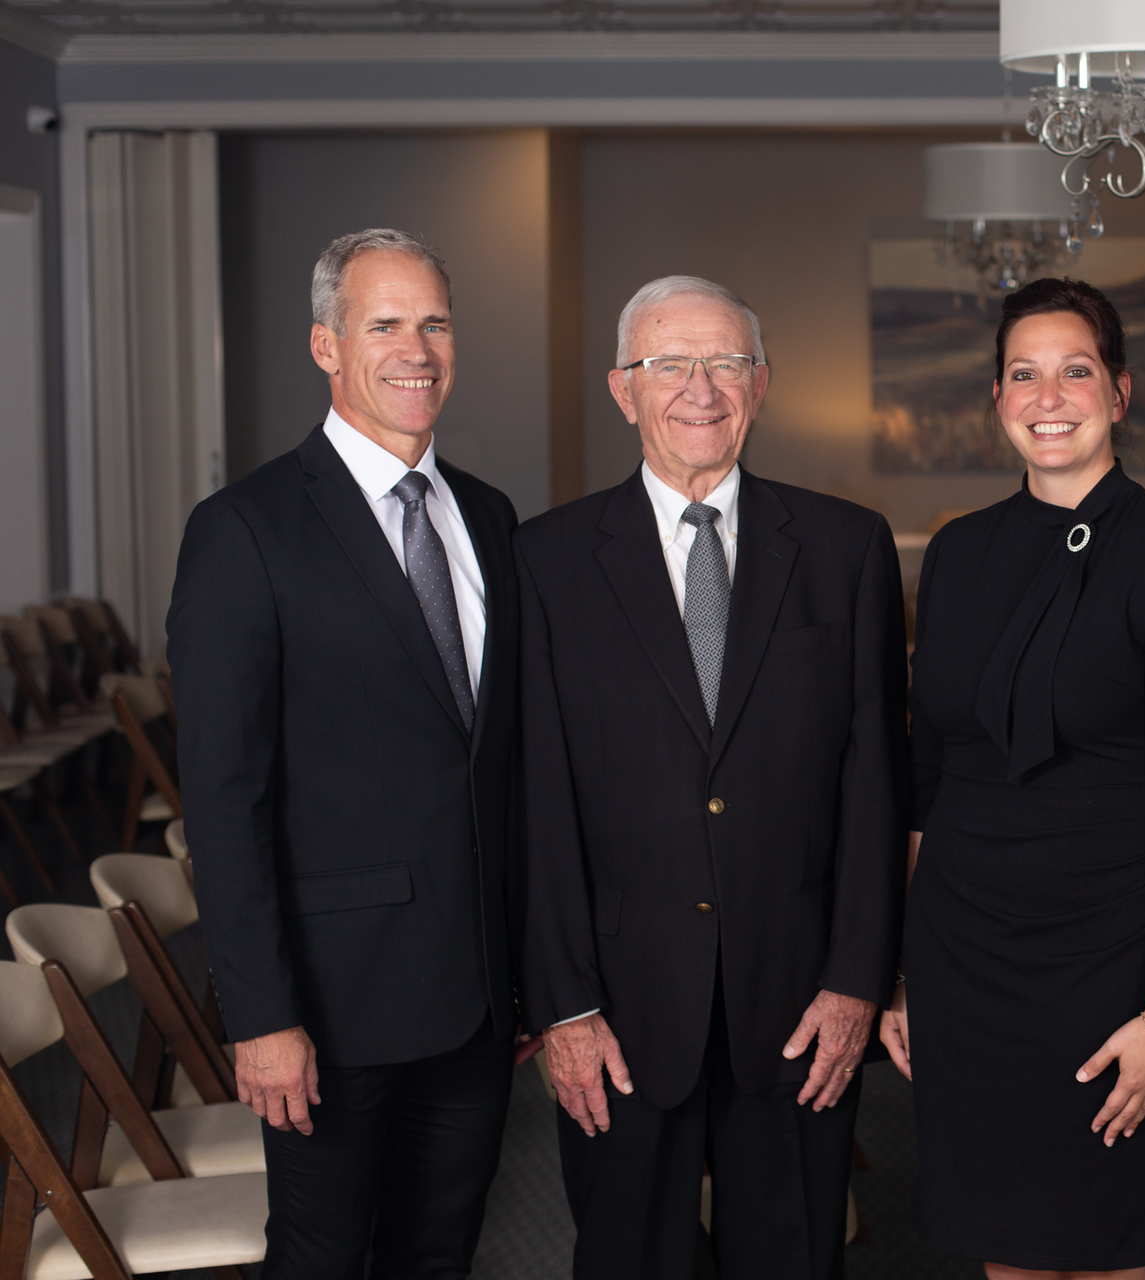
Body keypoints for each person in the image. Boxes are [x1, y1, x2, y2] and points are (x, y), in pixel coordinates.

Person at [516, 275, 909, 1280]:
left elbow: (876, 780)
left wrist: (859, 978)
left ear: (762, 383)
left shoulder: (845, 546)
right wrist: (562, 1004)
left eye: (725, 363)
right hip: (618, 1009)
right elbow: (537, 800)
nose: (699, 387)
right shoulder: (546, 560)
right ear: (622, 388)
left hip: (802, 1002)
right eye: (668, 364)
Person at [168, 228, 521, 1277]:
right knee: (322, 1258)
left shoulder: (491, 516)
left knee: (440, 1252)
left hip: (478, 996)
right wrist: (262, 1014)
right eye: (385, 324)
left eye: (436, 323)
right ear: (326, 345)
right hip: (329, 1004)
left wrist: (535, 973)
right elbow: (224, 801)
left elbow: (501, 769)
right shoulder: (245, 529)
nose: (417, 349)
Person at [880, 277, 1145, 1278]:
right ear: (997, 398)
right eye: (1025, 374)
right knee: (1006, 1250)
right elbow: (930, 774)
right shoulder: (957, 553)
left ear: (1119, 392)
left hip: (1107, 967)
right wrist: (904, 969)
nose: (1050, 394)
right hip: (964, 963)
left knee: (1106, 1247)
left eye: (1075, 369)